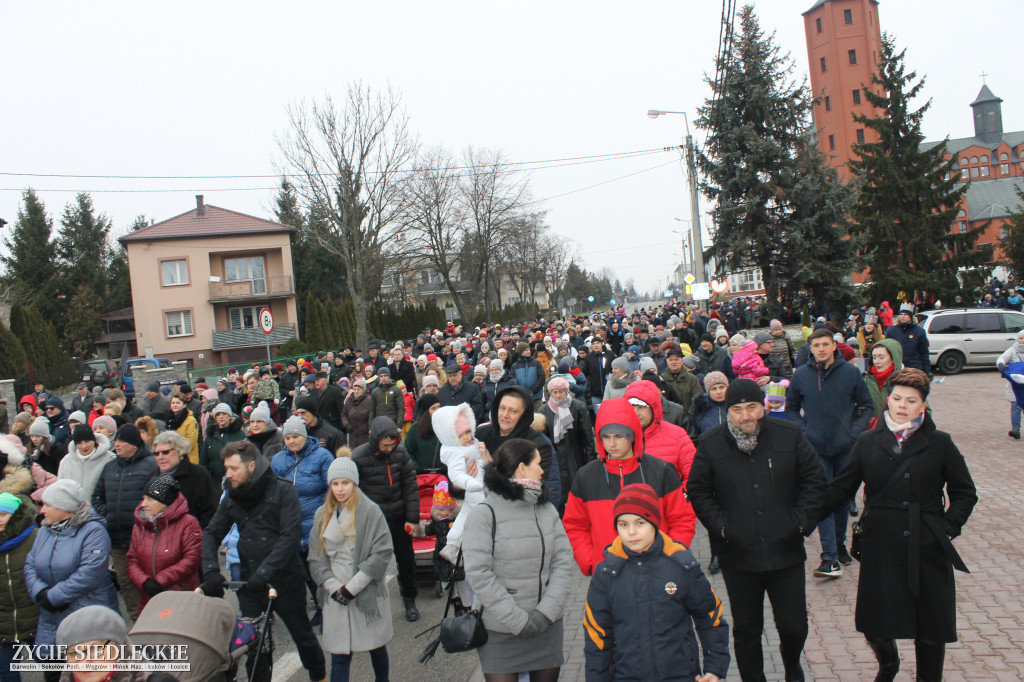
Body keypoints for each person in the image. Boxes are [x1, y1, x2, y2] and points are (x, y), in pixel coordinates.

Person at [823, 369, 977, 682]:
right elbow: (840, 489)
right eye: (896, 398)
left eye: (911, 400)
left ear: (923, 406)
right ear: (887, 401)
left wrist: (947, 527)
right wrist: (800, 519)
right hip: (882, 545)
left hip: (929, 545)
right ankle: (889, 664)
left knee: (930, 627)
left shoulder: (940, 443)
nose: (902, 405)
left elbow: (964, 493)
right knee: (875, 623)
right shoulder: (867, 442)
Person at [687, 378, 826, 682]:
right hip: (739, 554)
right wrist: (722, 527)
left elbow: (815, 482)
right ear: (728, 411)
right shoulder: (711, 443)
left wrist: (801, 522)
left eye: (752, 407)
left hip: (785, 550)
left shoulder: (789, 436)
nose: (745, 416)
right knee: (747, 629)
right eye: (737, 410)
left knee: (794, 626)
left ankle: (792, 664)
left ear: (763, 406)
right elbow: (698, 490)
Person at [198, 441, 326, 682]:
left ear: (251, 466)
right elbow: (212, 532)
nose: (228, 474)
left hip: (284, 579)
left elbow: (290, 536)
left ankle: (319, 676)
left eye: (233, 468)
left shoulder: (282, 491)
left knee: (303, 636)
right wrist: (211, 571)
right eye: (226, 468)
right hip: (249, 582)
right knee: (255, 644)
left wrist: (265, 571)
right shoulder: (232, 494)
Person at [583, 484, 730, 682]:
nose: (632, 532)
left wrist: (715, 666)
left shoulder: (682, 565)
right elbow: (597, 635)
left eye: (640, 523)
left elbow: (709, 615)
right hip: (627, 675)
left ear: (654, 523)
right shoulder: (607, 572)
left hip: (679, 674)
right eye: (623, 524)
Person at [462, 438, 574, 682]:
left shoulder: (546, 510)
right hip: (500, 630)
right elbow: (479, 574)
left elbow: (563, 562)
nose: (543, 470)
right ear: (521, 468)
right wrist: (517, 620)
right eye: (538, 463)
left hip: (546, 626)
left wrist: (545, 613)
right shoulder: (484, 514)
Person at [562, 398, 692, 577]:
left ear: (632, 435)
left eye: (619, 436)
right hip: (608, 574)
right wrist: (591, 562)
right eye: (606, 437)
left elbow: (682, 520)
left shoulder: (661, 471)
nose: (612, 444)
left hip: (659, 571)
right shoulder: (586, 476)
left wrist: (671, 556)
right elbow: (574, 526)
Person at [787, 329, 873, 577]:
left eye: (826, 344)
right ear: (810, 348)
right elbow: (791, 408)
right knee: (823, 499)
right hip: (815, 449)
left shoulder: (850, 373)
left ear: (834, 346)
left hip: (845, 447)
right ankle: (830, 558)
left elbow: (865, 406)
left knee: (843, 499)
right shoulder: (802, 375)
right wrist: (803, 430)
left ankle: (839, 544)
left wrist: (853, 432)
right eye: (816, 345)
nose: (821, 349)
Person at [308, 456, 394, 682]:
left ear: (354, 483)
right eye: (335, 484)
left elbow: (382, 551)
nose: (340, 489)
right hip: (335, 593)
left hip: (364, 590)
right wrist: (334, 587)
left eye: (345, 483)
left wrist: (352, 588)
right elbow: (316, 557)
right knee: (339, 655)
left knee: (376, 647)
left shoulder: (371, 511)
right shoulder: (321, 515)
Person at [24, 480, 120, 649]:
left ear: (64, 507)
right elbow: (30, 565)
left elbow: (90, 573)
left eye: (47, 505)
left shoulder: (93, 531)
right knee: (54, 670)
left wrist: (54, 596)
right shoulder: (45, 531)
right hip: (51, 617)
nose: (42, 510)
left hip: (87, 615)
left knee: (88, 668)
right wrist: (40, 593)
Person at [351, 416, 420, 622]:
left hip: (399, 517)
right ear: (375, 440)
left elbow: (410, 486)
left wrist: (412, 518)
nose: (389, 448)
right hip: (373, 521)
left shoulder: (400, 453)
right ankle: (368, 602)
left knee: (406, 561)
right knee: (370, 564)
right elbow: (354, 492)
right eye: (385, 445)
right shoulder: (359, 456)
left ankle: (409, 598)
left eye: (392, 444)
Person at [90, 424, 158, 620]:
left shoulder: (151, 465)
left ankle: (155, 619)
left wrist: (144, 519)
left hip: (144, 536)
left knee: (147, 579)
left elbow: (158, 499)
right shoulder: (110, 467)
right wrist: (107, 513)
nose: (116, 444)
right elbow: (97, 496)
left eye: (121, 441)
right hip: (117, 537)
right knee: (125, 580)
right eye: (116, 440)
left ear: (134, 444)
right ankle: (137, 620)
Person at [125, 475, 202, 613]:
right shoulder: (139, 526)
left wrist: (161, 580)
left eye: (150, 499)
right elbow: (132, 560)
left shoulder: (188, 523)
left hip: (180, 600)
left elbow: (192, 559)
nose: (143, 504)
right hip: (148, 600)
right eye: (143, 498)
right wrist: (144, 582)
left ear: (165, 502)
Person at [476, 386, 559, 508]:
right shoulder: (481, 434)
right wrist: (456, 486)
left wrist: (490, 465)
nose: (505, 415)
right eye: (502, 408)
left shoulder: (538, 445)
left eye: (513, 411)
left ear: (524, 415)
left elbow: (530, 491)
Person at [537, 375, 595, 514]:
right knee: (559, 496)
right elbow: (543, 440)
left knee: (578, 494)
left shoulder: (578, 407)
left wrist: (590, 460)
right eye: (555, 392)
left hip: (576, 456)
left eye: (561, 392)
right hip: (555, 460)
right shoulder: (544, 410)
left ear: (567, 392)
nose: (558, 395)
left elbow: (587, 435)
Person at [0, 492, 38, 680]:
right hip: (4, 623)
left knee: (51, 665)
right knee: (6, 673)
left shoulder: (35, 537)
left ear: (15, 515)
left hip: (35, 617)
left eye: (3, 514)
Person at [150, 430, 219, 528]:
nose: (160, 457)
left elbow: (210, 512)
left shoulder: (199, 475)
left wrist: (194, 536)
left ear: (179, 451)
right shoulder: (153, 477)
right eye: (156, 454)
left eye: (165, 452)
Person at [56, 425, 113, 503]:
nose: (84, 446)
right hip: (72, 511)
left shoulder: (109, 459)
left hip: (98, 511)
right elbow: (60, 488)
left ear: (93, 440)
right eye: (79, 443)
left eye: (87, 441)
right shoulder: (66, 461)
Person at [199, 402, 246, 480]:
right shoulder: (211, 436)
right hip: (214, 481)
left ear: (230, 417)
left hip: (235, 479)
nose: (221, 417)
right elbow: (203, 461)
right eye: (218, 414)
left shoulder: (240, 435)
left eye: (224, 414)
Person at [885, 304, 931, 377]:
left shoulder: (919, 331)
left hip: (915, 368)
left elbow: (924, 352)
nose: (903, 316)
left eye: (906, 314)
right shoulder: (892, 331)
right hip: (898, 369)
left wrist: (927, 370)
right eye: (901, 314)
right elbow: (887, 350)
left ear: (911, 316)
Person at [865, 339, 904, 419]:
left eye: (881, 357)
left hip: (898, 430)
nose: (876, 361)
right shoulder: (865, 381)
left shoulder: (906, 381)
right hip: (870, 430)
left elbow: (923, 411)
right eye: (874, 357)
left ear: (893, 359)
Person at [404, 394, 443, 474]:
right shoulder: (415, 428)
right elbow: (407, 451)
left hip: (443, 475)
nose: (438, 410)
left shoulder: (446, 425)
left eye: (439, 407)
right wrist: (416, 467)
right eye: (433, 408)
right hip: (422, 476)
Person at [997, 329, 1024, 439]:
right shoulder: (1013, 350)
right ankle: (1015, 429)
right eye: (1021, 338)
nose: (1023, 341)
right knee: (1015, 406)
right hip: (1015, 385)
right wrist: (1001, 364)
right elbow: (1002, 358)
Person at [692, 371, 730, 437]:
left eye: (722, 387)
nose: (719, 392)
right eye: (714, 389)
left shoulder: (734, 407)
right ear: (708, 392)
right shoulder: (701, 409)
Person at [167, 392, 199, 465]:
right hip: (173, 460)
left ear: (184, 405)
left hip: (188, 460)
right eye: (173, 403)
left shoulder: (191, 420)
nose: (175, 405)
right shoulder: (169, 419)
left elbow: (191, 443)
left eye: (178, 403)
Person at [341, 379, 371, 450]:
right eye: (355, 389)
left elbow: (372, 415)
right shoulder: (349, 400)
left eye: (359, 389)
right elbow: (343, 414)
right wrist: (346, 424)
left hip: (364, 436)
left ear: (363, 390)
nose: (356, 391)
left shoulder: (369, 400)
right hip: (352, 436)